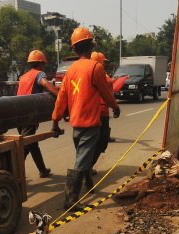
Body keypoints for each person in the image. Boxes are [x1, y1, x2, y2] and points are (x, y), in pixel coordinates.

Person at [52, 27, 120, 210]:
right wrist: (115, 106)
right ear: (91, 47)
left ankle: (88, 183)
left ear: (74, 50)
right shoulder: (95, 68)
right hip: (91, 124)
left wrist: (55, 121)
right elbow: (106, 93)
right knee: (82, 161)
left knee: (83, 157)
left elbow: (61, 99)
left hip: (76, 125)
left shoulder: (70, 71)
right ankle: (70, 199)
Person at [17, 49, 58, 178]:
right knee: (26, 145)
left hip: (17, 114)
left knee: (32, 144)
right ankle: (14, 172)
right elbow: (45, 83)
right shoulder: (39, 74)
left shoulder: (23, 77)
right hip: (29, 115)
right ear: (41, 63)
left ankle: (43, 170)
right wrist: (60, 95)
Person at [90, 51, 112, 179]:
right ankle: (88, 167)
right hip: (102, 111)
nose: (104, 64)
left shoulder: (85, 72)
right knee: (102, 141)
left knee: (90, 142)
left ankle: (86, 167)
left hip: (89, 112)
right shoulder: (103, 75)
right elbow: (108, 90)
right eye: (103, 61)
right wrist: (115, 106)